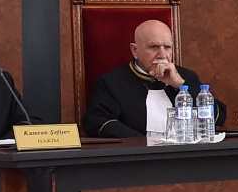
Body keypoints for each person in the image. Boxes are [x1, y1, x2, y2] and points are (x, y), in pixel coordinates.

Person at [84, 19, 226, 137]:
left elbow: (218, 117)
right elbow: (97, 121)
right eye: (154, 47)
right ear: (135, 50)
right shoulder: (112, 83)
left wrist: (180, 85)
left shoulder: (186, 77)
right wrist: (143, 144)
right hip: (137, 158)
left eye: (167, 47)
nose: (162, 55)